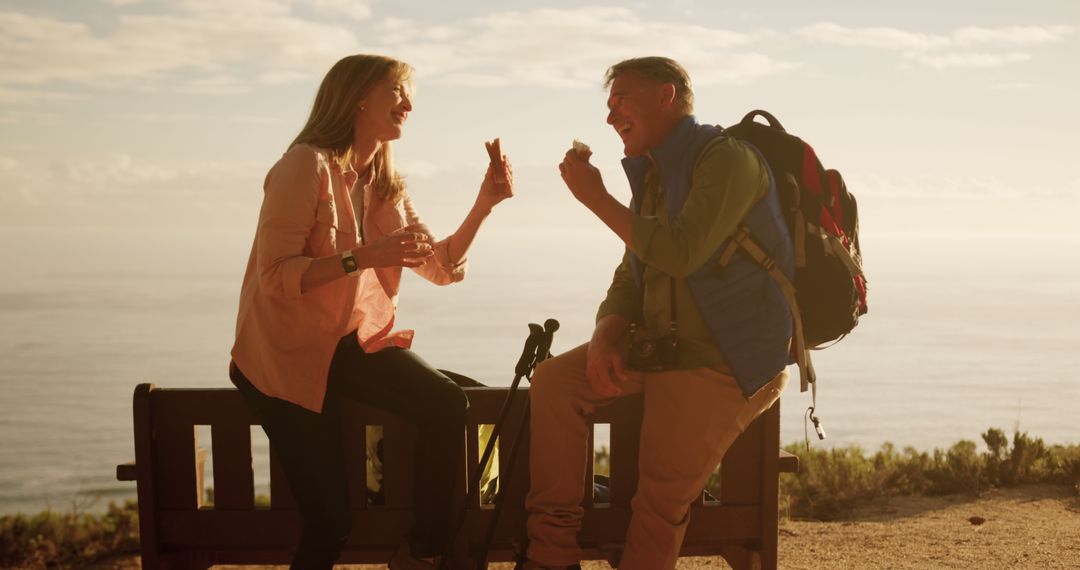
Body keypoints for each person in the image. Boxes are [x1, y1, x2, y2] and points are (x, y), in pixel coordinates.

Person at [228, 54, 513, 570]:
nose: (408, 105)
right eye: (398, 92)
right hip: (283, 361)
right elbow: (277, 275)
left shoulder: (384, 183)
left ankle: (421, 552)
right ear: (359, 96)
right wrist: (362, 257)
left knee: (447, 402)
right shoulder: (303, 166)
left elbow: (442, 266)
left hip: (349, 346)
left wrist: (484, 204)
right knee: (330, 522)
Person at [521, 57, 793, 570]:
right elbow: (633, 271)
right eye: (608, 106)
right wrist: (605, 335)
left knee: (658, 501)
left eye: (620, 100)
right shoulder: (655, 177)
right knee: (555, 382)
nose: (609, 117)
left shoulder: (728, 161)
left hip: (725, 358)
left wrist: (596, 197)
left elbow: (681, 252)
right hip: (662, 349)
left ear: (666, 96)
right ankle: (551, 557)